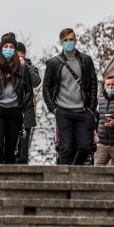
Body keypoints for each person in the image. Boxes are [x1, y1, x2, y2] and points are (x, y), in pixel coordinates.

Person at [42, 27, 98, 165]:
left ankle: (74, 170)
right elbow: (46, 87)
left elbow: (93, 84)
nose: (69, 42)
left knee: (86, 147)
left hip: (83, 111)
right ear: (61, 42)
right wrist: (53, 108)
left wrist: (91, 108)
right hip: (63, 111)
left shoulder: (86, 60)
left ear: (76, 40)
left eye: (71, 39)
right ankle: (65, 180)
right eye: (65, 40)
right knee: (66, 148)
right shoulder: (53, 63)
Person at [0, 32, 32, 164]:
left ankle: (10, 181)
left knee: (10, 149)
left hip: (14, 113)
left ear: (15, 50)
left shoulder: (22, 68)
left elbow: (29, 91)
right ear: (1, 49)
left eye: (11, 46)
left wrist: (21, 106)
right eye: (5, 46)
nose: (8, 49)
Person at [16, 42, 41, 164]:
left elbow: (36, 82)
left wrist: (24, 66)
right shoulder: (5, 67)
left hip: (27, 113)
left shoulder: (31, 67)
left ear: (23, 55)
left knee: (23, 153)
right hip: (9, 111)